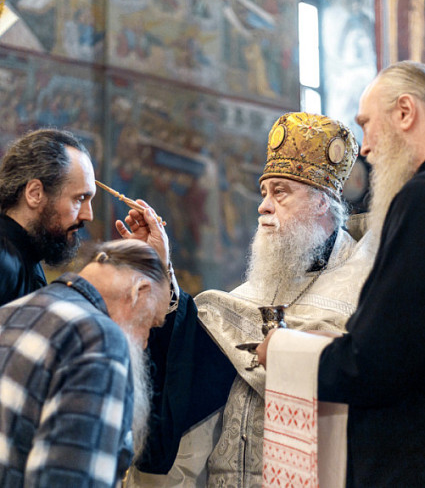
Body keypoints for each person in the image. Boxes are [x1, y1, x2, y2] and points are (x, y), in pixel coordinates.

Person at [117, 112, 376, 487]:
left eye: (280, 192)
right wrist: (161, 268)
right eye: (264, 192)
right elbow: (186, 381)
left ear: (321, 202)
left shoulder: (366, 290)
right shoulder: (247, 296)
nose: (263, 206)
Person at [258, 60, 425, 487]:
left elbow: (374, 365)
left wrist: (283, 351)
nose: (365, 149)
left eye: (366, 124)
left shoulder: (417, 200)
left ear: (405, 112)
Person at [0, 238, 170, 488]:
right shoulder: (99, 339)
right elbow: (71, 479)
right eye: (151, 323)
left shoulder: (11, 311)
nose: (145, 342)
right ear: (139, 293)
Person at [0, 128, 96, 306]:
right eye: (79, 199)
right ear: (34, 194)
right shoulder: (4, 262)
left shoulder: (25, 256)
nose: (88, 215)